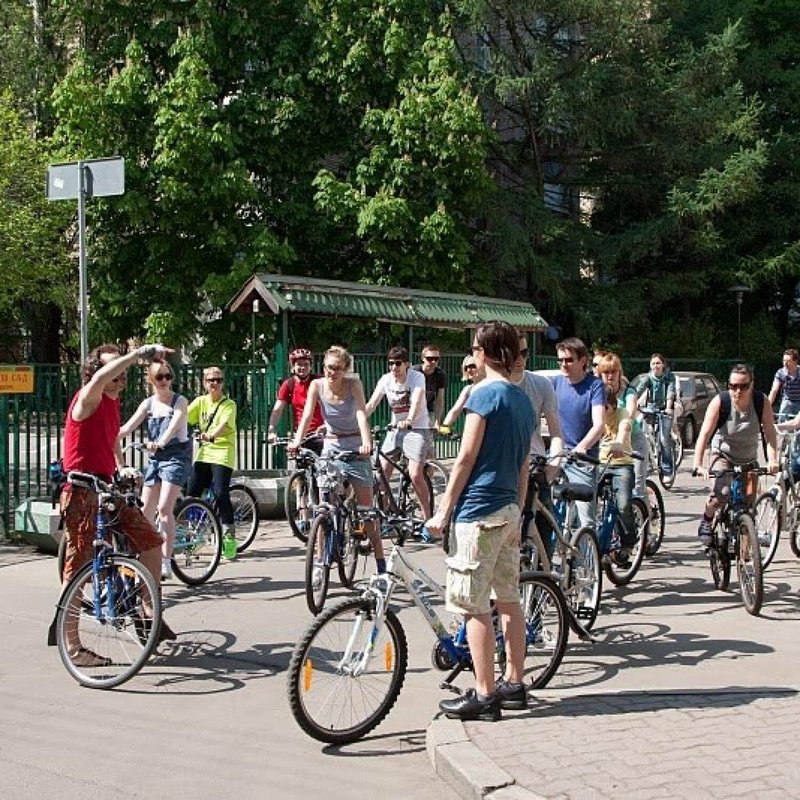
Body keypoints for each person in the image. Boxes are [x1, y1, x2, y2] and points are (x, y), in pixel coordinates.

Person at [426, 321, 534, 721]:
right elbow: (523, 464)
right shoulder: (522, 400)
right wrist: (518, 510)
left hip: (478, 513)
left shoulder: (482, 395)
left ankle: (485, 694)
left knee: (474, 607)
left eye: (474, 348)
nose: (470, 354)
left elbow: (466, 457)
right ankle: (515, 684)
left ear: (486, 353)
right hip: (507, 510)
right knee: (509, 599)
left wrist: (442, 509)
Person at [58, 343, 176, 663]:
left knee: (151, 542)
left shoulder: (112, 401)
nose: (120, 376)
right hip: (82, 491)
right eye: (114, 370)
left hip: (107, 488)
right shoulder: (89, 397)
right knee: (77, 571)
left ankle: (147, 610)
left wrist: (120, 464)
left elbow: (111, 438)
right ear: (95, 373)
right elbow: (101, 378)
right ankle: (73, 647)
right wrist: (138, 355)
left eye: (123, 372)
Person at [289, 346, 386, 575]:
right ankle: (321, 561)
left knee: (366, 512)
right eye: (329, 368)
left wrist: (366, 442)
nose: (333, 373)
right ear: (324, 367)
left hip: (355, 447)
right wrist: (296, 442)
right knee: (324, 507)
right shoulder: (317, 385)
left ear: (346, 370)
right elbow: (306, 416)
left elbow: (362, 414)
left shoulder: (353, 385)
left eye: (338, 369)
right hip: (331, 447)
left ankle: (381, 562)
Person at [118, 358, 192, 580]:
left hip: (176, 456)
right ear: (151, 379)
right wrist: (111, 436)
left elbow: (175, 424)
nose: (164, 381)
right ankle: (144, 558)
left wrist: (161, 441)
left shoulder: (179, 401)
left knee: (163, 509)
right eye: (159, 376)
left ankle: (166, 561)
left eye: (168, 376)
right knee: (145, 512)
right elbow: (128, 426)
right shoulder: (148, 404)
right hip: (156, 459)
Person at [692, 364, 779, 544]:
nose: (737, 391)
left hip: (748, 458)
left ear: (751, 385)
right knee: (722, 493)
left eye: (743, 386)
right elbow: (704, 434)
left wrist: (773, 460)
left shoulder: (761, 402)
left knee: (747, 505)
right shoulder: (720, 402)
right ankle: (707, 519)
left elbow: (770, 434)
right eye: (733, 386)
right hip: (722, 454)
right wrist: (698, 464)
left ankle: (746, 550)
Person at [365, 345, 433, 523]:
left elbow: (417, 400)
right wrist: (356, 421)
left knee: (415, 474)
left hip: (417, 428)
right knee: (381, 474)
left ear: (407, 364)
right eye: (390, 364)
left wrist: (409, 419)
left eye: (397, 364)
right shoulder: (386, 380)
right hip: (395, 429)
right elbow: (371, 404)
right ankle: (387, 515)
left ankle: (428, 519)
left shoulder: (417, 377)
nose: (393, 368)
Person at [511, 332, 563, 560]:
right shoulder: (491, 387)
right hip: (507, 469)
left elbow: (556, 433)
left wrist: (554, 463)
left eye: (524, 353)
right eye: (515, 353)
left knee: (545, 526)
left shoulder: (540, 384)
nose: (520, 359)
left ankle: (546, 577)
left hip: (535, 466)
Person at [550, 337, 605, 528]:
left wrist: (582, 447)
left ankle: (588, 557)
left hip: (582, 460)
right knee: (542, 509)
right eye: (560, 360)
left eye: (568, 360)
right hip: (558, 456)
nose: (563, 365)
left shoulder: (594, 385)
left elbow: (599, 424)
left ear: (583, 361)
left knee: (585, 520)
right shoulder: (555, 383)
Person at [186, 367, 237, 543]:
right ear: (204, 383)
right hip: (204, 452)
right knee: (191, 492)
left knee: (220, 492)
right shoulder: (200, 402)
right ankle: (195, 529)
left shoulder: (229, 404)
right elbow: (183, 417)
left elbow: (224, 424)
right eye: (211, 380)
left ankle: (229, 535)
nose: (215, 383)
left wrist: (211, 435)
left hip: (222, 451)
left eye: (219, 380)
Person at [596, 354, 637, 559]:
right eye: (606, 372)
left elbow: (626, 420)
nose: (610, 376)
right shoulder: (595, 397)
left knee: (623, 503)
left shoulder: (625, 400)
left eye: (613, 372)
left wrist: (620, 440)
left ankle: (630, 540)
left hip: (624, 457)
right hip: (599, 462)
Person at [268, 348, 324, 453]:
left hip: (321, 434)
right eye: (299, 364)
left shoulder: (319, 382)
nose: (302, 367)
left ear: (311, 366)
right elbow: (277, 410)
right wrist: (271, 431)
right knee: (301, 465)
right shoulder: (289, 385)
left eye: (306, 364)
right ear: (293, 367)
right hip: (301, 435)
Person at [634, 353, 676, 477]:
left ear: (663, 364)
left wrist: (668, 407)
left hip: (665, 408)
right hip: (651, 408)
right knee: (641, 433)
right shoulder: (648, 377)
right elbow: (639, 390)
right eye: (653, 363)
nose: (655, 366)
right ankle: (645, 463)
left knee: (663, 439)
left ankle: (667, 469)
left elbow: (670, 392)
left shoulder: (669, 376)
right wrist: (633, 401)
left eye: (658, 363)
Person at [440, 355, 485, 431]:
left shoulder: (492, 385)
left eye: (472, 366)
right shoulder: (468, 389)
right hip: (473, 429)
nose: (468, 370)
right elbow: (455, 410)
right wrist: (445, 426)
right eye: (466, 367)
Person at [412, 343, 447, 431]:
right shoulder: (414, 372)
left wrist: (438, 421)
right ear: (423, 358)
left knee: (427, 438)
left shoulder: (440, 374)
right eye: (430, 359)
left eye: (436, 359)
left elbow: (440, 400)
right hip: (409, 409)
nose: (433, 362)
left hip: (427, 409)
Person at [768, 348, 800, 421]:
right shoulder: (781, 373)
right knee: (782, 420)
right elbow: (774, 391)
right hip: (787, 400)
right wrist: (767, 406)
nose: (785, 363)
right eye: (784, 360)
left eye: (788, 361)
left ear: (795, 361)